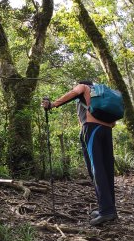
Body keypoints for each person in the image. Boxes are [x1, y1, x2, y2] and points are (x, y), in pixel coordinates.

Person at [42, 81, 117, 226]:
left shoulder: (84, 87)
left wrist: (52, 105)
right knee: (107, 169)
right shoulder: (100, 94)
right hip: (106, 130)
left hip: (91, 128)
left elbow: (73, 93)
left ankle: (106, 212)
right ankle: (108, 208)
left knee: (96, 170)